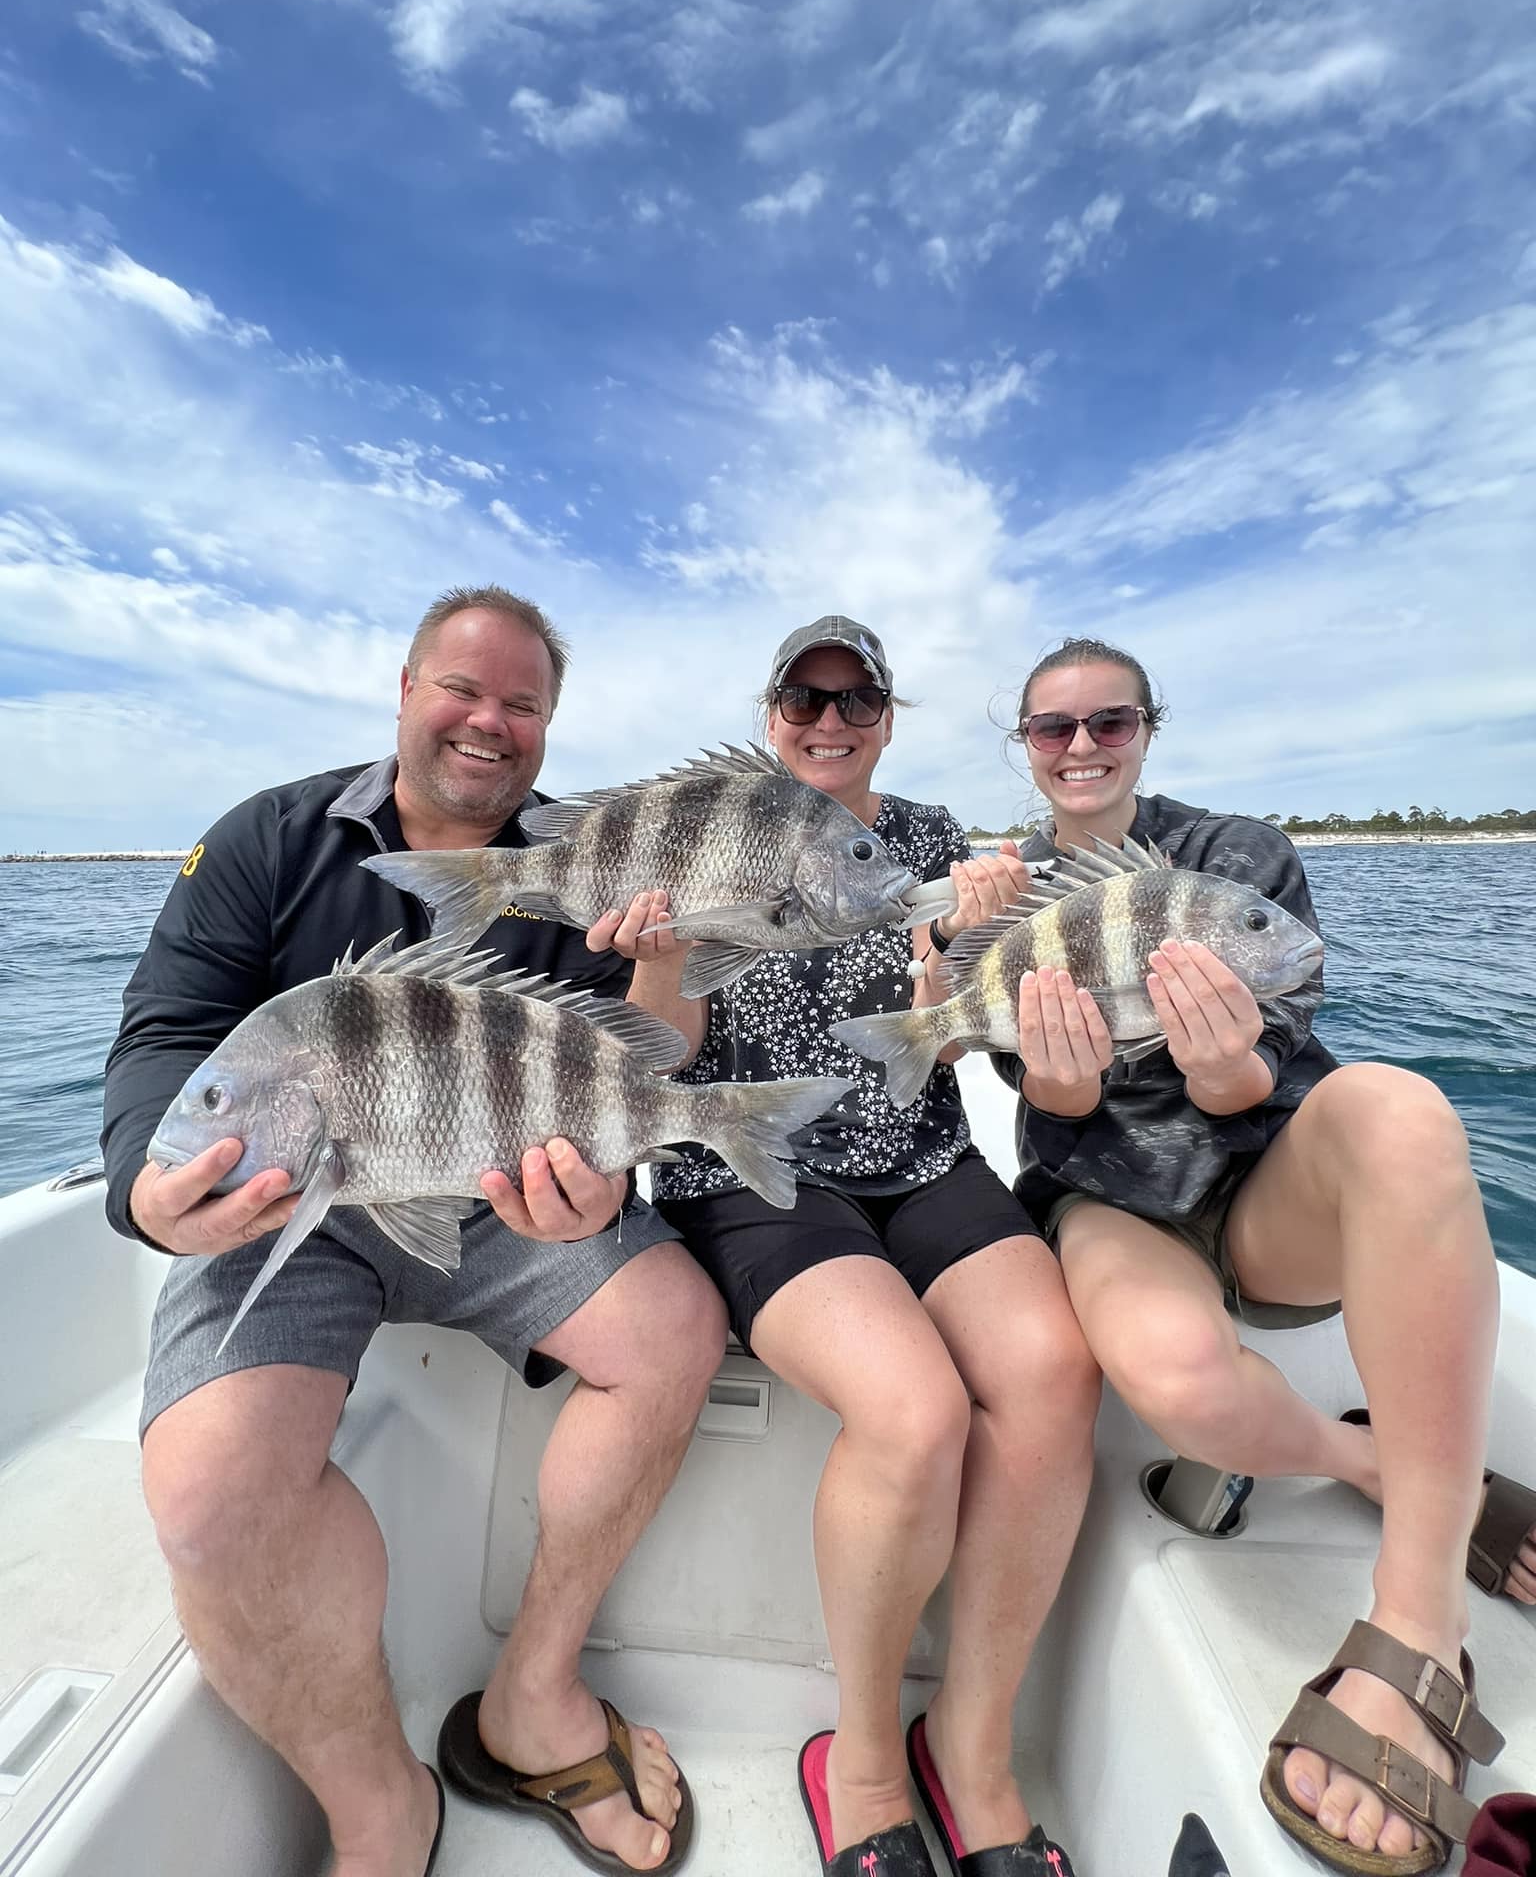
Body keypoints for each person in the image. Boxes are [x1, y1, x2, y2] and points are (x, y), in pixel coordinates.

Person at [102, 585, 725, 1877]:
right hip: (294, 1209)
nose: (490, 722)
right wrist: (148, 1193)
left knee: (673, 1332)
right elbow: (169, 1031)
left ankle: (531, 1698)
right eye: (463, 688)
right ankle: (381, 1806)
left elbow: (637, 1062)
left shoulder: (586, 859)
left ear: (550, 724)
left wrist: (607, 1174)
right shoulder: (268, 838)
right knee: (211, 1499)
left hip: (494, 1196)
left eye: (524, 702)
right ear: (403, 690)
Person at [969, 633, 1532, 1877]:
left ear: (1146, 730)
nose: (1080, 748)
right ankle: (1389, 1461)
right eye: (1053, 728)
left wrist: (1225, 1065)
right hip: (1118, 1197)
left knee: (1403, 1107)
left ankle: (1419, 1620)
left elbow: (1265, 1064)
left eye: (1107, 723)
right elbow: (1046, 1102)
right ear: (1024, 743)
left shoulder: (1237, 858)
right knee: (1185, 1394)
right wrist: (1057, 1088)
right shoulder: (1006, 898)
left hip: (1266, 1181)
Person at [599, 615, 1101, 1877]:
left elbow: (949, 1031)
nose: (830, 720)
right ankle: (865, 1756)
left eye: (856, 697)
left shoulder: (932, 841)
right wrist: (659, 958)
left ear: (888, 711)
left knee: (1051, 1371)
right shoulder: (707, 835)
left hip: (923, 1154)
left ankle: (972, 1748)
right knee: (913, 1407)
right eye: (804, 697)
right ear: (770, 710)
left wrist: (957, 943)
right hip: (751, 1168)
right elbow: (662, 1051)